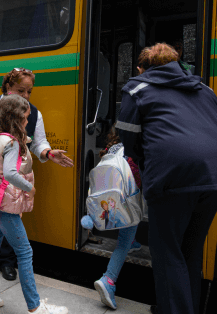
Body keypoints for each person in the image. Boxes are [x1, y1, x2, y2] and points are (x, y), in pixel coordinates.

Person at [116, 43, 217, 314]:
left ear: (141, 68)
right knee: (189, 250)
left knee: (167, 252)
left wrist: (142, 164)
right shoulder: (204, 89)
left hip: (174, 173)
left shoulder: (137, 87)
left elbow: (128, 138)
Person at [0, 68, 73, 281]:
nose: (26, 96)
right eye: (21, 90)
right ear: (8, 87)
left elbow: (39, 142)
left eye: (29, 91)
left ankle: (6, 261)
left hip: (10, 175)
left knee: (8, 214)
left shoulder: (33, 113)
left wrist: (47, 153)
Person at [0, 94, 68, 314]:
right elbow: (11, 173)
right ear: (16, 118)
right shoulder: (11, 142)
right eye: (25, 117)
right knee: (25, 252)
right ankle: (35, 306)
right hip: (6, 204)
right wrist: (29, 187)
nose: (27, 122)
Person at [92, 129, 142, 310]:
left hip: (112, 201)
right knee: (123, 243)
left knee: (128, 235)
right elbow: (137, 178)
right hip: (128, 202)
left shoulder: (111, 149)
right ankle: (108, 280)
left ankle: (133, 242)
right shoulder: (132, 150)